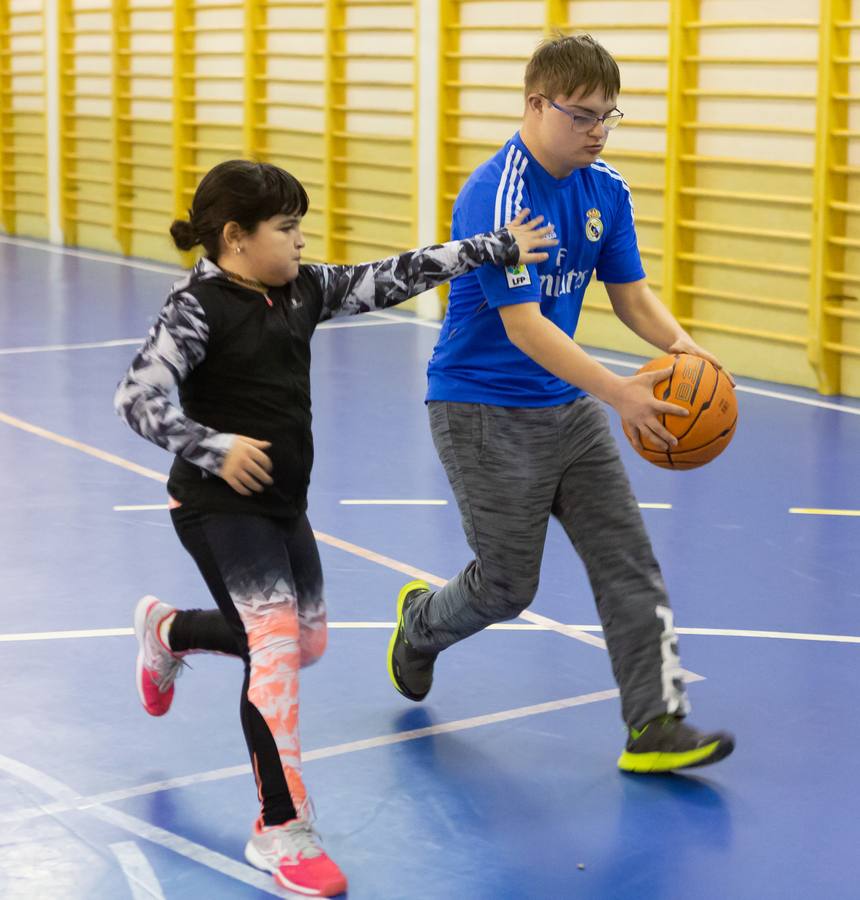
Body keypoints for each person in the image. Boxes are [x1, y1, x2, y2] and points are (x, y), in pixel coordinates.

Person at [114, 159, 555, 897]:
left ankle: (169, 632)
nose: (299, 240)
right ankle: (281, 829)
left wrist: (491, 245)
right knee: (278, 649)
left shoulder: (300, 289)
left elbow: (393, 274)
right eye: (285, 228)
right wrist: (214, 448)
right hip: (214, 506)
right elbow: (138, 397)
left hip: (283, 503)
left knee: (303, 642)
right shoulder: (195, 307)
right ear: (234, 237)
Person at [387, 34, 736, 774]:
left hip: (567, 408)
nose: (598, 131)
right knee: (510, 585)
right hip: (481, 408)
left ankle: (655, 725)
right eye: (582, 116)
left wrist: (686, 351)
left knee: (628, 561)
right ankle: (421, 624)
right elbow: (523, 326)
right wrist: (617, 392)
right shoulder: (498, 195)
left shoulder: (604, 188)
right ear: (536, 105)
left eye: (609, 116)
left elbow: (631, 293)